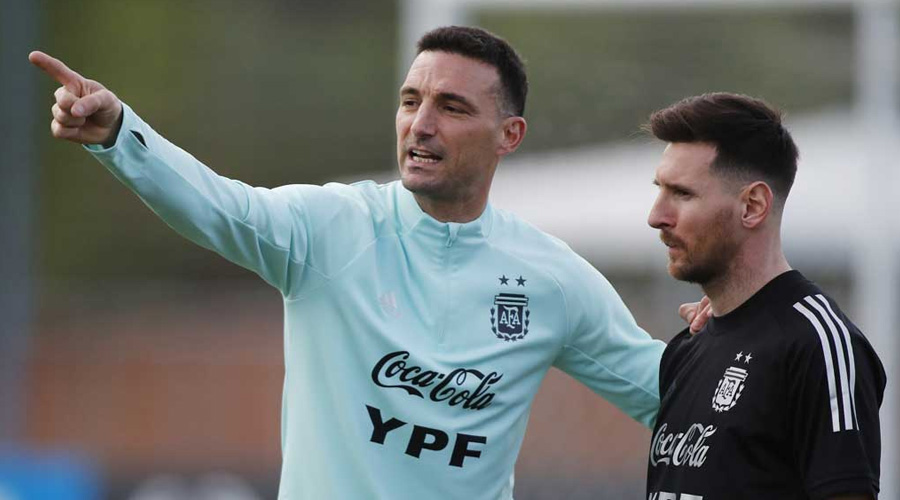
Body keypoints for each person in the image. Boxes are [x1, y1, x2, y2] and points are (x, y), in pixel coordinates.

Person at [30, 27, 695, 499]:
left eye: (451, 107)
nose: (421, 124)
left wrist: (734, 336)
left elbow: (671, 395)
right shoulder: (333, 228)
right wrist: (120, 135)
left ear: (508, 135)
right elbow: (220, 208)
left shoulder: (551, 279)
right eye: (410, 101)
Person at [644, 92, 886, 500]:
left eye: (682, 194)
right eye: (660, 190)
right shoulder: (686, 349)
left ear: (753, 206)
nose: (656, 217)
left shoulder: (817, 344)